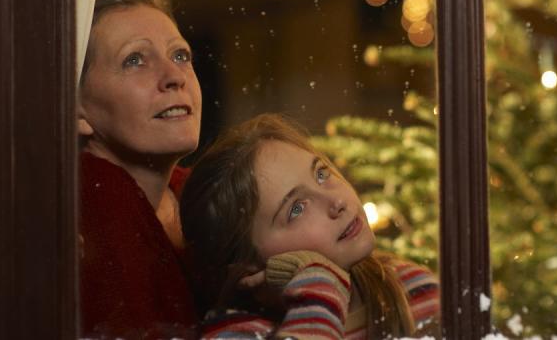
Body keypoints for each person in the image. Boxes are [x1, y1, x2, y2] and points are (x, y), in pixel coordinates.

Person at [180, 114, 440, 339]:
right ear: (248, 267)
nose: (336, 201)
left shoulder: (414, 290)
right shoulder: (234, 334)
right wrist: (319, 290)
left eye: (322, 174)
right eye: (296, 209)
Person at [78, 0, 202, 338]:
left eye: (180, 55)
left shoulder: (197, 193)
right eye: (135, 60)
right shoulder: (88, 205)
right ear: (77, 109)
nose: (174, 76)